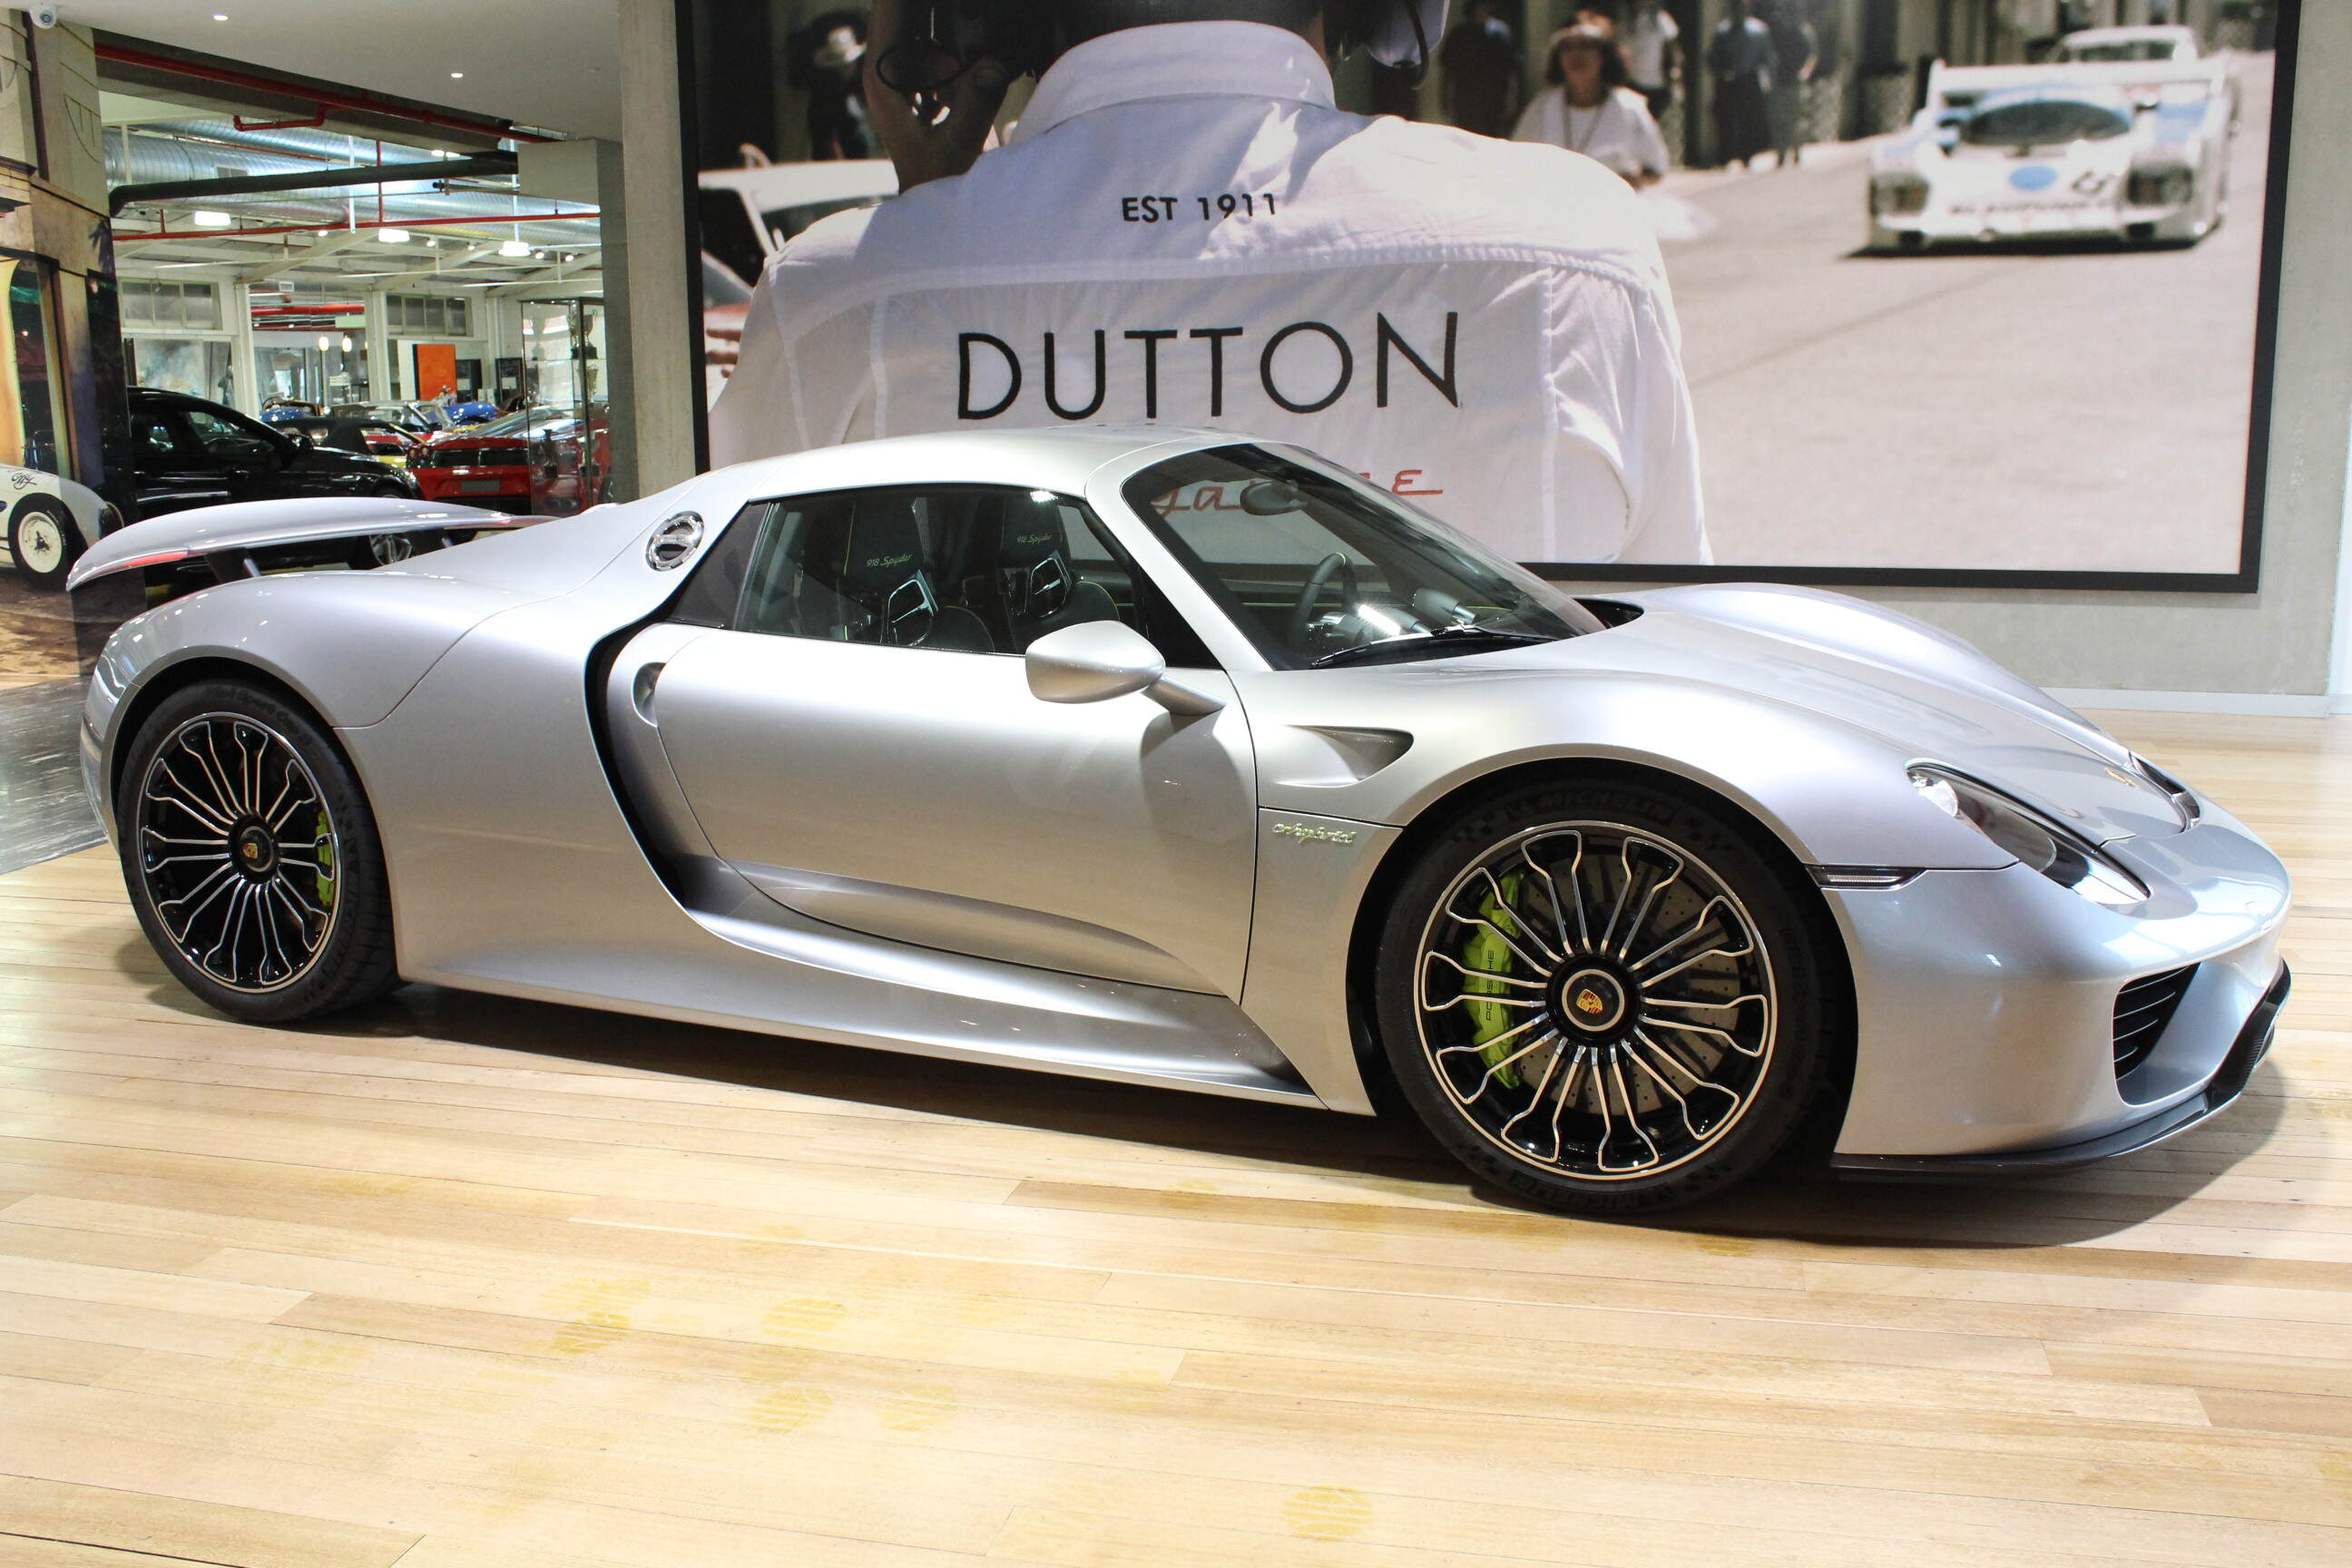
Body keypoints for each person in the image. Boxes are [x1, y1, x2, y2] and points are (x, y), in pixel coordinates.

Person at [710, 0, 1708, 566]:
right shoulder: (1574, 244)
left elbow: (763, 662)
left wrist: (928, 213)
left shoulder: (835, 298)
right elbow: (1671, 653)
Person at [1511, 23, 1668, 190]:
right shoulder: (1542, 107)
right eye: (1567, 48)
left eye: (1586, 45)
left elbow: (1656, 168)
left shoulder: (1629, 106)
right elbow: (1516, 162)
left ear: (1603, 55)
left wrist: (1629, 182)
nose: (1576, 54)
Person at [1706, 0, 1773, 171]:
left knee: (1748, 118)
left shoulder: (1758, 31)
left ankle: (1746, 154)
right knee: (1726, 118)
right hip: (1728, 80)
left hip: (1749, 79)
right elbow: (1712, 56)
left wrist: (1768, 80)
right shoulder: (1722, 31)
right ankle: (1725, 155)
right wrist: (1720, 72)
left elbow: (1767, 57)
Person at [1436, 0, 1520, 138]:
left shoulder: (1500, 33)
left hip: (1494, 101)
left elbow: (1511, 71)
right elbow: (1447, 72)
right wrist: (1444, 101)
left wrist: (1512, 102)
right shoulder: (1459, 34)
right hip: (1466, 101)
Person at [1760, 0, 1816, 169]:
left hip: (1795, 82)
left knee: (1796, 119)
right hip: (1779, 81)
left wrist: (1804, 73)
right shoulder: (1777, 32)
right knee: (1778, 119)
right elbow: (1768, 54)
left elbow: (1812, 55)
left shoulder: (1804, 32)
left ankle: (1796, 151)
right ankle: (1781, 153)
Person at [1618, 0, 1681, 125]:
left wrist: (1673, 73)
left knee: (1653, 125)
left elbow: (1671, 49)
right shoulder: (1624, 23)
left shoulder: (1660, 20)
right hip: (1633, 84)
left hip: (1656, 84)